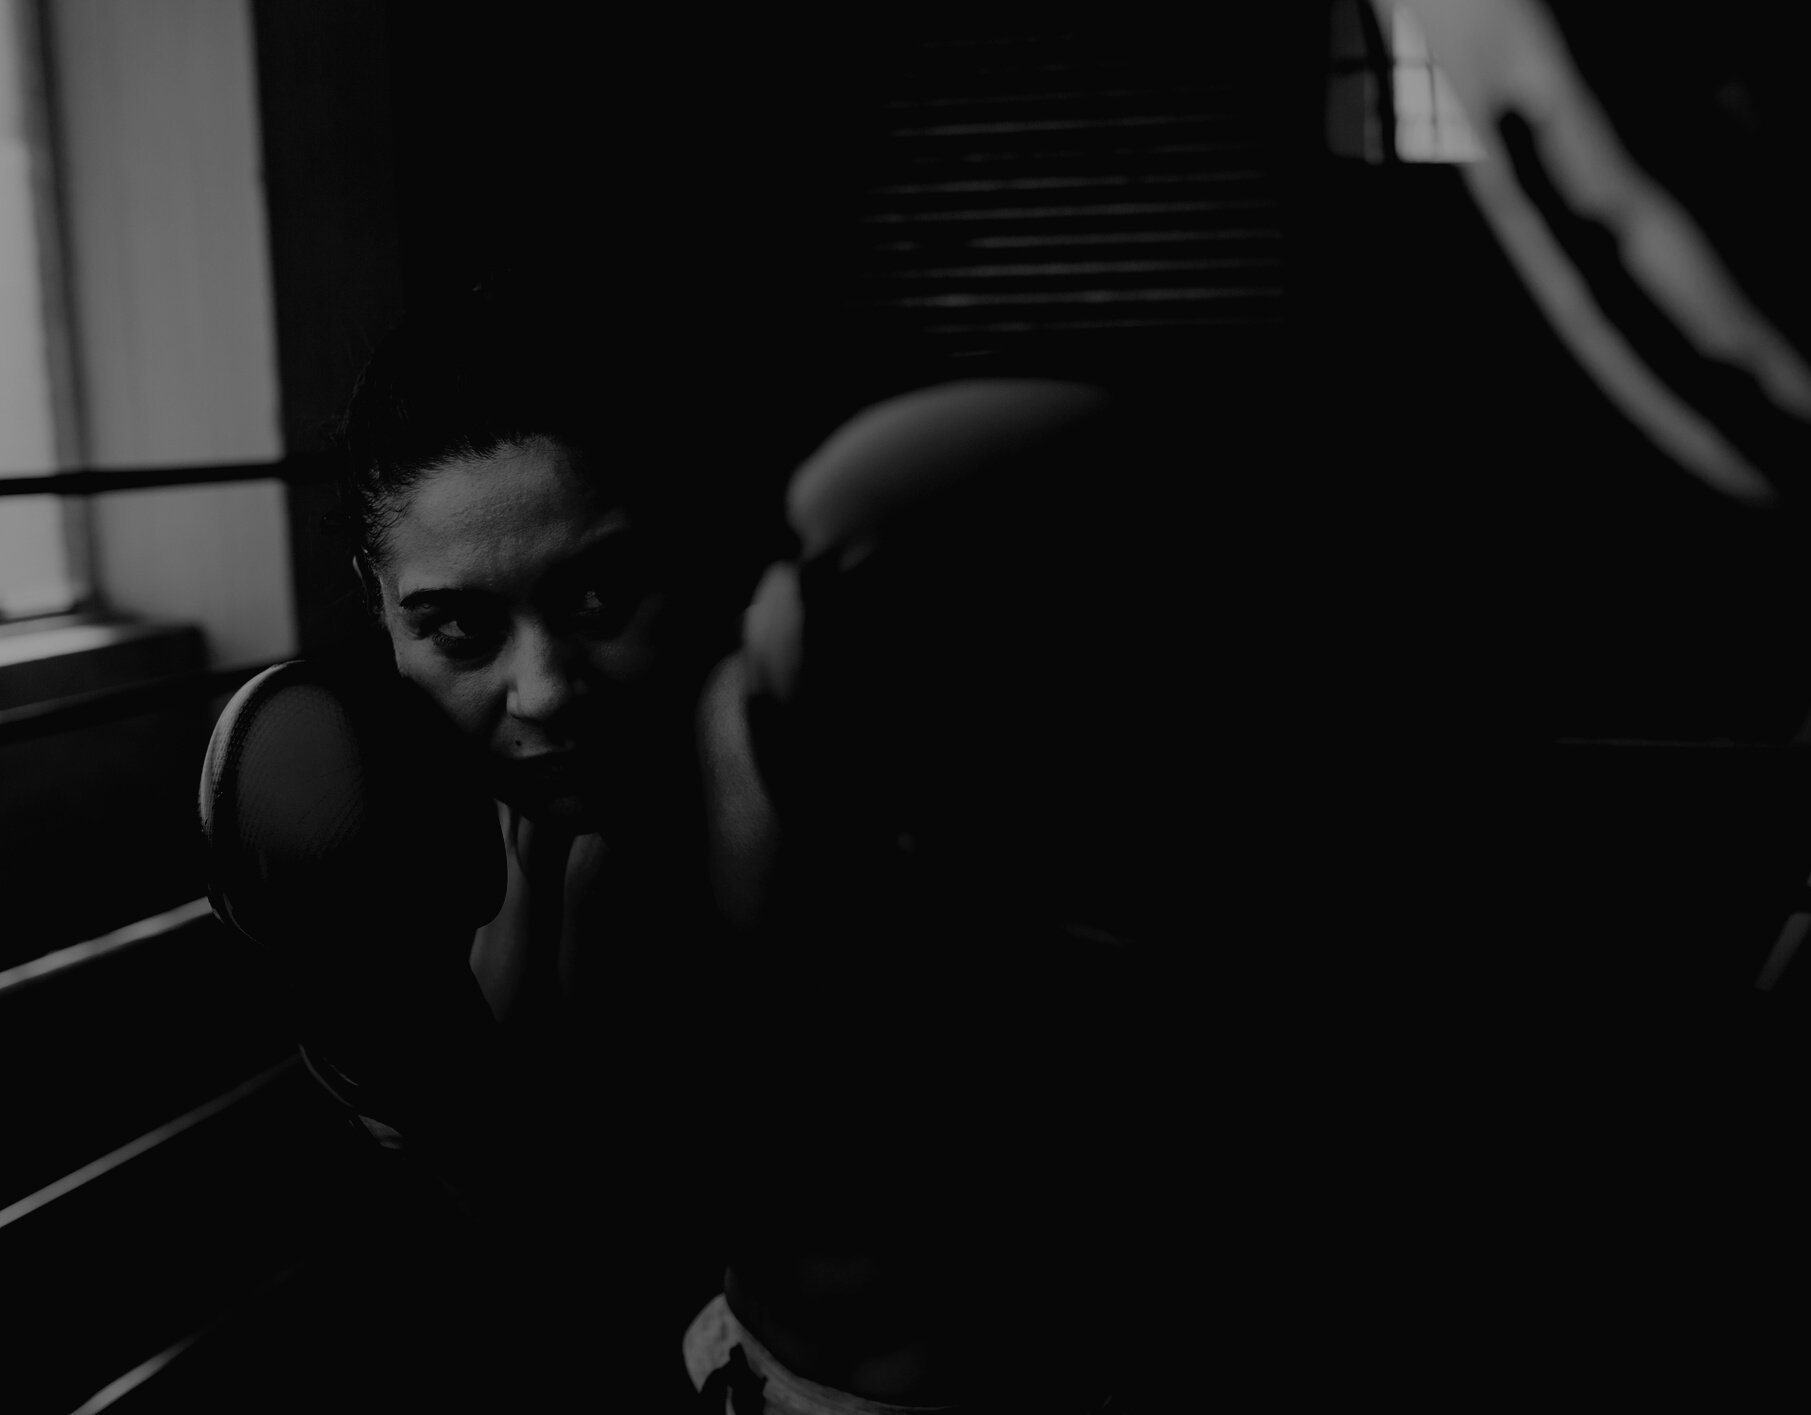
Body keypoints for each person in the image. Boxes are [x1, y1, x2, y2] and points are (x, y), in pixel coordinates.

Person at [201, 274, 1310, 1408]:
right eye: (459, 628)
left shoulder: (795, 746)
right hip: (742, 1362)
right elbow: (538, 1213)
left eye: (598, 598)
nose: (543, 689)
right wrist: (385, 1042)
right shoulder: (489, 826)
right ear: (377, 605)